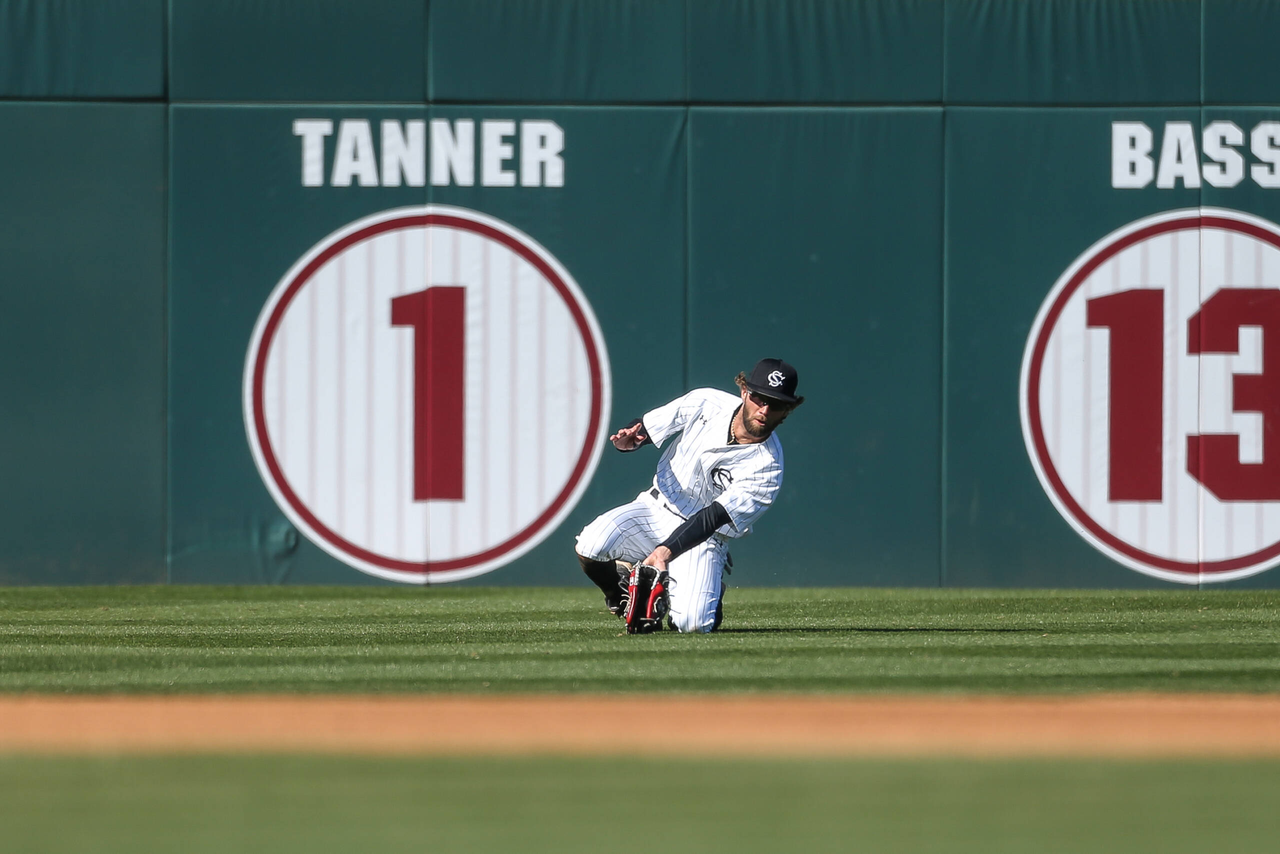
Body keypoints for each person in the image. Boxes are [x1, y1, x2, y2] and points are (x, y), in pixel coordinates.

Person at [575, 358, 803, 633]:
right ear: (745, 391)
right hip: (655, 507)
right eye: (759, 398)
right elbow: (649, 425)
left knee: (693, 623)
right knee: (591, 545)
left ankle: (709, 587)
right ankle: (620, 596)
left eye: (775, 404)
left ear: (787, 409)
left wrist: (663, 552)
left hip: (704, 537)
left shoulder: (768, 468)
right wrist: (635, 437)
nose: (764, 410)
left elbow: (711, 518)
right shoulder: (707, 402)